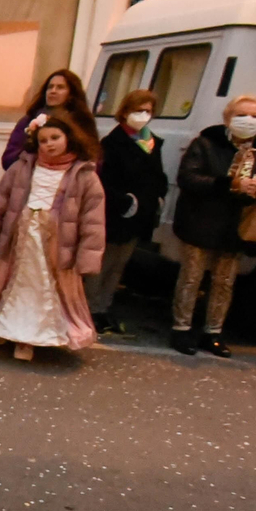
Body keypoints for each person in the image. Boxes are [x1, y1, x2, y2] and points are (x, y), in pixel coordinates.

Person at [0, 114, 106, 360]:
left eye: (55, 138)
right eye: (43, 140)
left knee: (40, 290)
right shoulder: (22, 167)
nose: (50, 144)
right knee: (4, 286)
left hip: (55, 248)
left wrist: (87, 256)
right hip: (18, 240)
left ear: (69, 138)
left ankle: (28, 339)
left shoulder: (84, 174)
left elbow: (93, 219)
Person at [169, 95, 256, 357]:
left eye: (255, 116)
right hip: (201, 221)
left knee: (224, 282)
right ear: (228, 118)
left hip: (238, 226)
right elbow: (188, 177)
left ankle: (213, 332)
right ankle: (182, 328)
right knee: (191, 278)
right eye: (242, 114)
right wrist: (231, 184)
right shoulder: (206, 143)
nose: (249, 120)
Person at [83, 89, 167, 333]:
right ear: (125, 111)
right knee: (102, 263)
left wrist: (157, 198)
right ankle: (91, 308)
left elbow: (158, 176)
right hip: (116, 213)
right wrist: (124, 202)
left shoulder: (152, 142)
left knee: (119, 264)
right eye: (137, 110)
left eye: (147, 111)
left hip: (140, 214)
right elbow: (103, 180)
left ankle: (104, 307)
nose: (142, 115)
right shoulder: (111, 143)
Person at [0, 70, 99, 170]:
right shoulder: (29, 121)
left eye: (60, 87)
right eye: (50, 87)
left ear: (71, 94)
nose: (53, 91)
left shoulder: (83, 122)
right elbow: (8, 160)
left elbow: (94, 157)